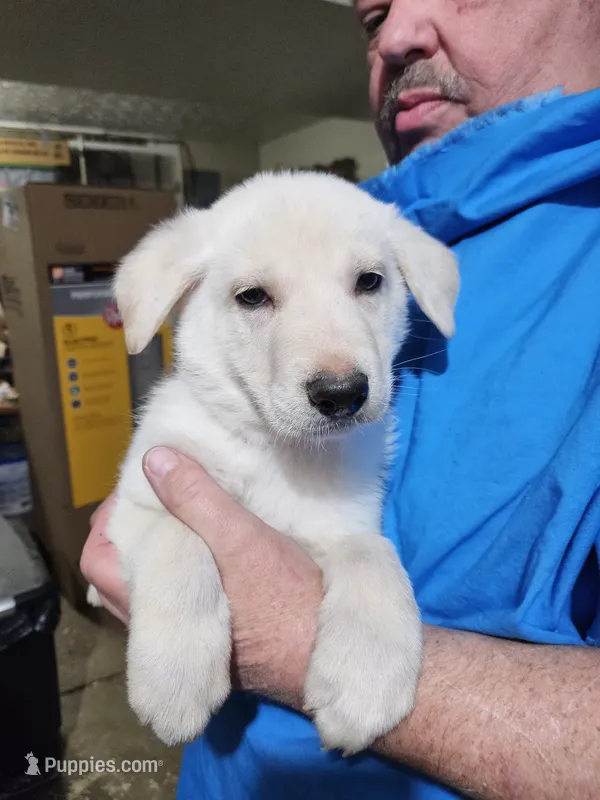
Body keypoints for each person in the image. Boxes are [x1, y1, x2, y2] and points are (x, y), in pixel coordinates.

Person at [81, 0, 600, 797]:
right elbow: (126, 538)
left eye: (367, 285)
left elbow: (343, 539)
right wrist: (174, 563)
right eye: (373, 15)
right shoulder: (381, 220)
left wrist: (298, 633)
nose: (395, 35)